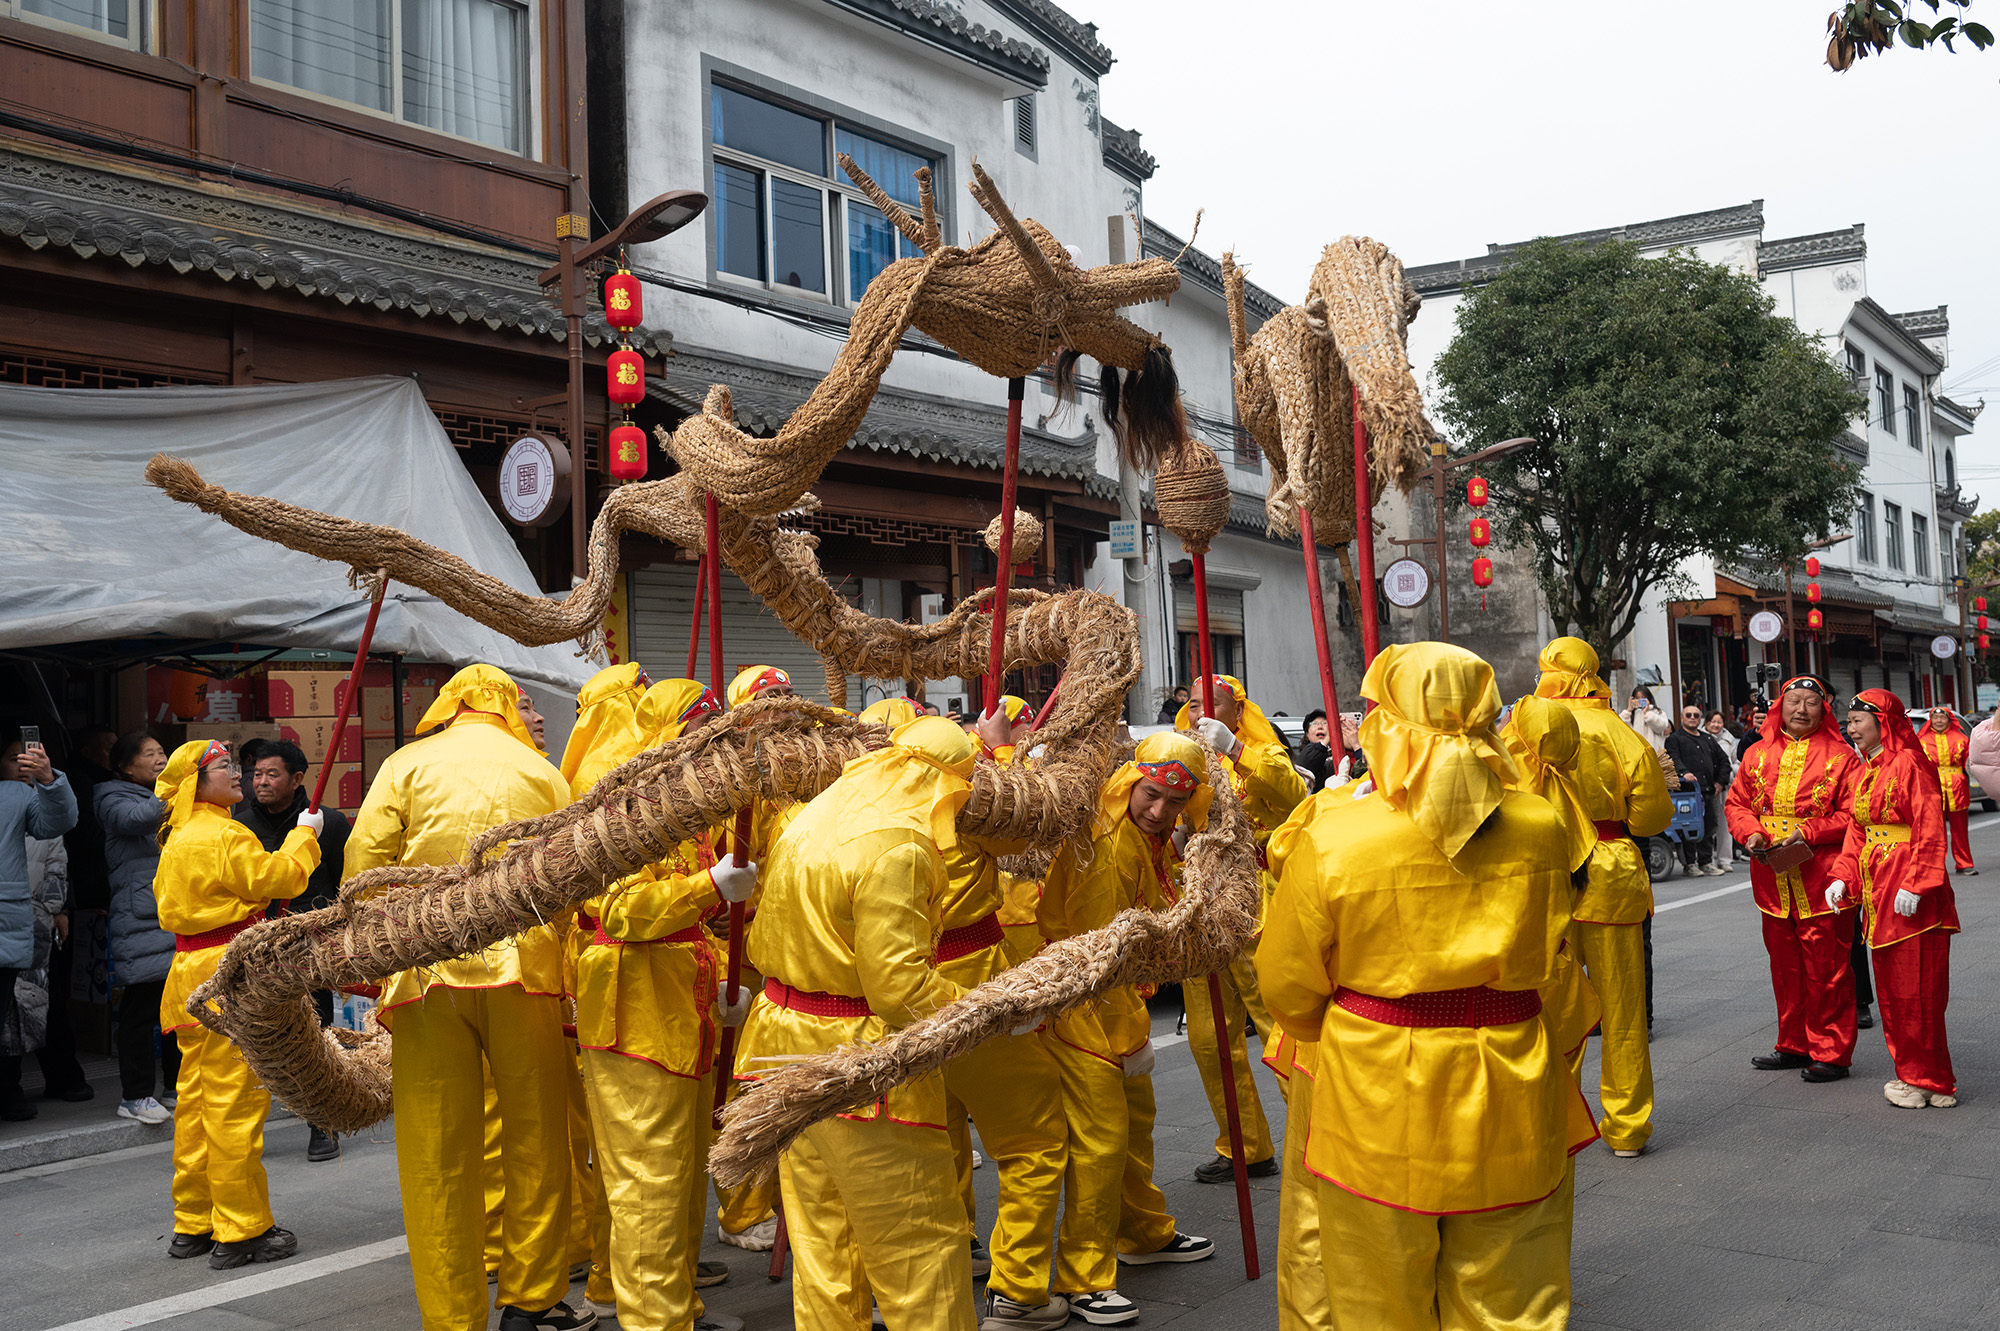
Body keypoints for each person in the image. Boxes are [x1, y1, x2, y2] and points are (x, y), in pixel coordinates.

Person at [1259, 643, 1582, 1330]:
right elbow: (1558, 959)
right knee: (1511, 1288)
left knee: (1378, 1293)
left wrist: (1342, 1023)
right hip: (1512, 1069)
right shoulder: (1543, 827)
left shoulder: (1338, 835)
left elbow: (1287, 985)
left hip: (1376, 1080)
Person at [346, 665, 592, 1331]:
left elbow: (364, 865)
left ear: (449, 706)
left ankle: (452, 1316)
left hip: (426, 976)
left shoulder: (405, 763)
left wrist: (381, 957)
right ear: (510, 707)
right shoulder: (541, 771)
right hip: (527, 971)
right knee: (537, 1140)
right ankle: (530, 1298)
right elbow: (566, 878)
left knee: (436, 1152)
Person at [736, 716, 983, 1331]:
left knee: (824, 1249)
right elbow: (900, 988)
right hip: (861, 1068)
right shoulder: (900, 848)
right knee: (918, 1249)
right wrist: (993, 1012)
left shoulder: (810, 817)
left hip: (783, 1053)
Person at [862, 697, 1070, 1330]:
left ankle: (938, 1265)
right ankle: (1018, 1291)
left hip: (887, 992)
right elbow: (1033, 819)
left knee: (934, 1136)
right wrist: (1002, 751)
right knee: (1034, 1138)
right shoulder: (957, 806)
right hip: (969, 983)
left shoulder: (856, 812)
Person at [575, 678, 742, 1331]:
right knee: (648, 1186)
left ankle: (676, 1308)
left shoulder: (688, 806)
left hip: (680, 1009)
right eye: (701, 731)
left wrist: (726, 981)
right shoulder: (626, 805)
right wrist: (708, 885)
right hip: (634, 1015)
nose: (713, 746)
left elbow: (696, 929)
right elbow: (619, 911)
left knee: (677, 1181)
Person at [1037, 731, 1217, 1325]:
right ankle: (1084, 1275)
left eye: (1174, 802)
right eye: (1150, 794)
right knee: (1102, 1136)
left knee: (1136, 1122)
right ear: (1129, 780)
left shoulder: (1148, 836)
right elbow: (1098, 952)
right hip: (1081, 1001)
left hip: (1117, 1001)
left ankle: (1141, 1231)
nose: (1159, 811)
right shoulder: (1110, 841)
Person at [153, 739, 319, 1267]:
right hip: (227, 973)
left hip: (188, 978)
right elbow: (279, 879)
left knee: (196, 1100)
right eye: (223, 766)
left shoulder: (177, 835)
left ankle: (193, 1222)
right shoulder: (224, 832)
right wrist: (304, 837)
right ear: (195, 783)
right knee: (234, 1103)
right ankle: (242, 1229)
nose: (237, 774)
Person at [1534, 638, 1672, 1158]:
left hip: (1544, 873)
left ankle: (1550, 1122)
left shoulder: (1524, 733)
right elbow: (1651, 818)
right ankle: (1627, 1127)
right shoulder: (1622, 733)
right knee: (1622, 1008)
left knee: (1544, 1003)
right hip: (1612, 870)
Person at [1177, 674, 1306, 1185]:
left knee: (1279, 1031)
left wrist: (1234, 750)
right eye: (1189, 705)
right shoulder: (1183, 757)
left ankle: (1313, 1132)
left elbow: (1294, 794)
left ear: (1236, 711)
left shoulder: (1263, 754)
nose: (1197, 714)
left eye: (1210, 705)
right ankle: (1244, 1144)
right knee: (1209, 1040)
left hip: (1257, 907)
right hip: (1200, 906)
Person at [1725, 676, 1864, 1082]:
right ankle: (1793, 1043)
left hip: (1822, 877)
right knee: (1784, 966)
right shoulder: (1756, 753)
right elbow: (1737, 803)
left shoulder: (1842, 757)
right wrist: (1749, 832)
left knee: (1830, 966)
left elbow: (1853, 816)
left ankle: (1832, 1051)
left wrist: (1809, 831)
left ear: (1825, 709)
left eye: (1811, 703)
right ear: (1779, 706)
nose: (1801, 709)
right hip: (1771, 874)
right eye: (1794, 701)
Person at [1827, 691, 1960, 1110]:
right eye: (1847, 722)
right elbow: (1857, 832)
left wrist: (1917, 882)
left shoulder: (1908, 762)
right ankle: (1916, 1075)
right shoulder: (1866, 771)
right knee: (1895, 989)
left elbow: (1929, 824)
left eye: (1857, 721)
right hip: (1879, 887)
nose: (1851, 729)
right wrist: (1842, 877)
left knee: (1918, 987)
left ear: (1883, 720)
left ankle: (1927, 1077)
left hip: (1908, 890)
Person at [233, 737, 351, 1161]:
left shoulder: (329, 822)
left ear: (297, 779)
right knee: (251, 1037)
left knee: (314, 1035)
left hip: (309, 945)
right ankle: (243, 1130)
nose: (259, 782)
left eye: (271, 774)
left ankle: (323, 1124)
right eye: (255, 774)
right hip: (254, 945)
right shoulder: (239, 822)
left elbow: (345, 883)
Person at [98, 730, 179, 1125]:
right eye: (150, 754)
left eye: (162, 751)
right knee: (141, 1008)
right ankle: (134, 1095)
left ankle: (175, 1087)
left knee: (179, 1005)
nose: (160, 758)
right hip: (140, 918)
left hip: (172, 911)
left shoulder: (162, 794)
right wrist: (177, 786)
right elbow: (137, 820)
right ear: (126, 767)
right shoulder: (111, 797)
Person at [1, 729, 80, 1121]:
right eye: (13, 757)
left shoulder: (19, 798)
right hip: (15, 922)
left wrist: (50, 779)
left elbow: (59, 830)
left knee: (22, 1014)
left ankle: (11, 1090)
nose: (21, 763)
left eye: (25, 756)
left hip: (15, 925)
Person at [1665, 703, 1726, 875]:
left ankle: (1706, 861)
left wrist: (1720, 782)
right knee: (1688, 827)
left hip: (1708, 790)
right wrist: (1685, 772)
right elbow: (1673, 758)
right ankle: (1690, 864)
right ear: (1682, 718)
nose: (1692, 718)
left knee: (1710, 825)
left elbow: (1723, 761)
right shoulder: (1674, 739)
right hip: (1686, 793)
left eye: (1696, 715)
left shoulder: (1708, 739)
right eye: (1689, 715)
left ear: (1700, 719)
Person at [1919, 709, 1977, 876]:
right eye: (1935, 717)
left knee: (1960, 828)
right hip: (1931, 787)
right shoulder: (1921, 740)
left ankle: (1964, 863)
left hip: (1957, 786)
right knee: (1934, 830)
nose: (1938, 721)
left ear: (1949, 720)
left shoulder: (1962, 739)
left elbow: (1972, 764)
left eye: (1942, 717)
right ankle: (1936, 866)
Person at [1703, 711, 1738, 871]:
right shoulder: (1700, 736)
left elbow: (1737, 762)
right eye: (1713, 722)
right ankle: (1706, 859)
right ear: (1707, 722)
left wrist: (1727, 774)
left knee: (1725, 824)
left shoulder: (1729, 739)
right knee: (1708, 824)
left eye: (1719, 722)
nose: (1716, 725)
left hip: (1725, 786)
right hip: (1706, 787)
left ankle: (1724, 860)